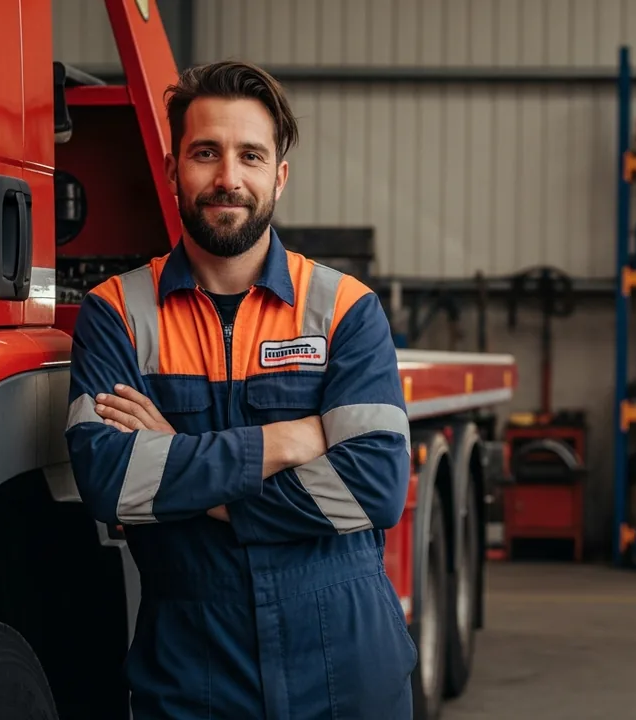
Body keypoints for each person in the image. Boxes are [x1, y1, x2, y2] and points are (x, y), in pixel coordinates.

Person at [64, 60, 416, 719]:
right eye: (206, 153)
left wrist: (185, 468)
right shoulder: (117, 313)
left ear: (278, 176)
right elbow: (111, 483)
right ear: (173, 170)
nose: (229, 178)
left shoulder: (344, 309)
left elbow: (375, 484)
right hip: (194, 675)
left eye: (250, 155)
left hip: (347, 669)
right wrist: (288, 439)